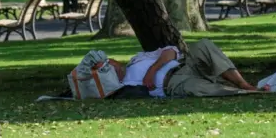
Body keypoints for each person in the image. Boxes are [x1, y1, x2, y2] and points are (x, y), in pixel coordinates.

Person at [108, 39, 261, 98]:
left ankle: (243, 84)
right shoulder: (122, 88)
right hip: (174, 84)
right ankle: (244, 92)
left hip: (186, 65)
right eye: (107, 67)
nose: (111, 65)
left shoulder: (137, 58)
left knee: (203, 45)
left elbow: (170, 51)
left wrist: (152, 70)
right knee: (198, 88)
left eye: (110, 62)